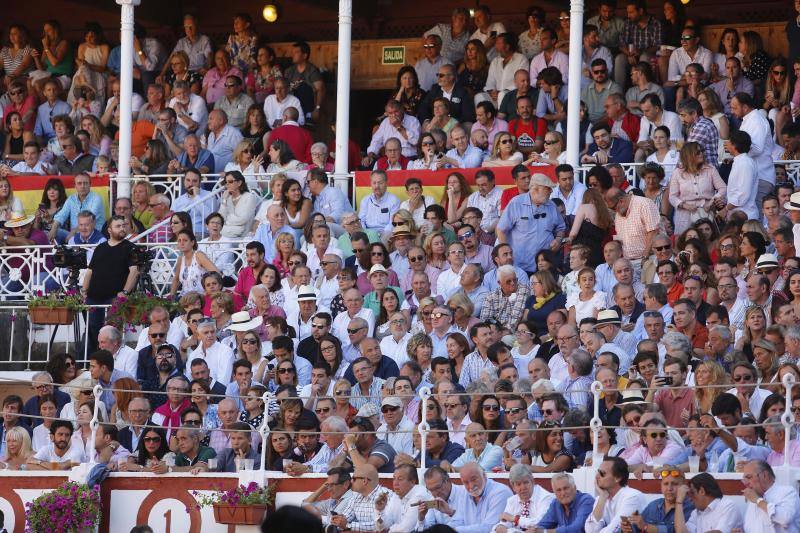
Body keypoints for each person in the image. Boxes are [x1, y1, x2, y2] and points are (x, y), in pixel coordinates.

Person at [497, 174, 566, 275]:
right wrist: (507, 256)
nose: (551, 191)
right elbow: (501, 230)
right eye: (548, 189)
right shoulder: (516, 203)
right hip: (520, 266)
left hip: (545, 267)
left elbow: (561, 228)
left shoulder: (551, 205)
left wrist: (558, 239)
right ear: (536, 189)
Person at [585, 456, 645, 533]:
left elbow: (615, 529)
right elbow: (590, 530)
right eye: (598, 472)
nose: (597, 477)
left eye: (602, 474)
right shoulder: (602, 497)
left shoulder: (632, 497)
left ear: (618, 478)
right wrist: (602, 497)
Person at [674, 472, 743, 533]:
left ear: (702, 491)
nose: (690, 499)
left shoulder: (728, 506)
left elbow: (718, 532)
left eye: (692, 493)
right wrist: (679, 502)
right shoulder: (696, 513)